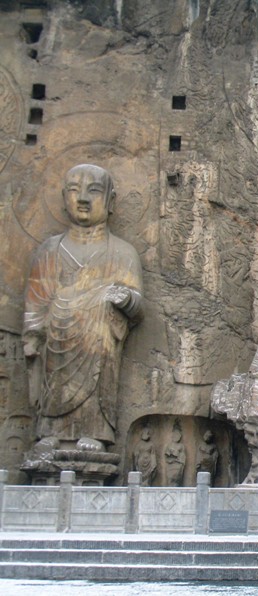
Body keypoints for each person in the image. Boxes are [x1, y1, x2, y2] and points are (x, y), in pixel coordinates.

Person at [23, 163, 143, 449]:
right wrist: (33, 334)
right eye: (75, 191)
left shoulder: (122, 252)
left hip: (99, 347)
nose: (84, 199)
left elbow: (138, 308)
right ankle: (49, 431)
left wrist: (124, 299)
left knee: (100, 327)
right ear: (64, 198)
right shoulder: (50, 250)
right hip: (57, 345)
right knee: (53, 377)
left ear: (110, 201)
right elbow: (35, 303)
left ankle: (96, 432)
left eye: (94, 191)